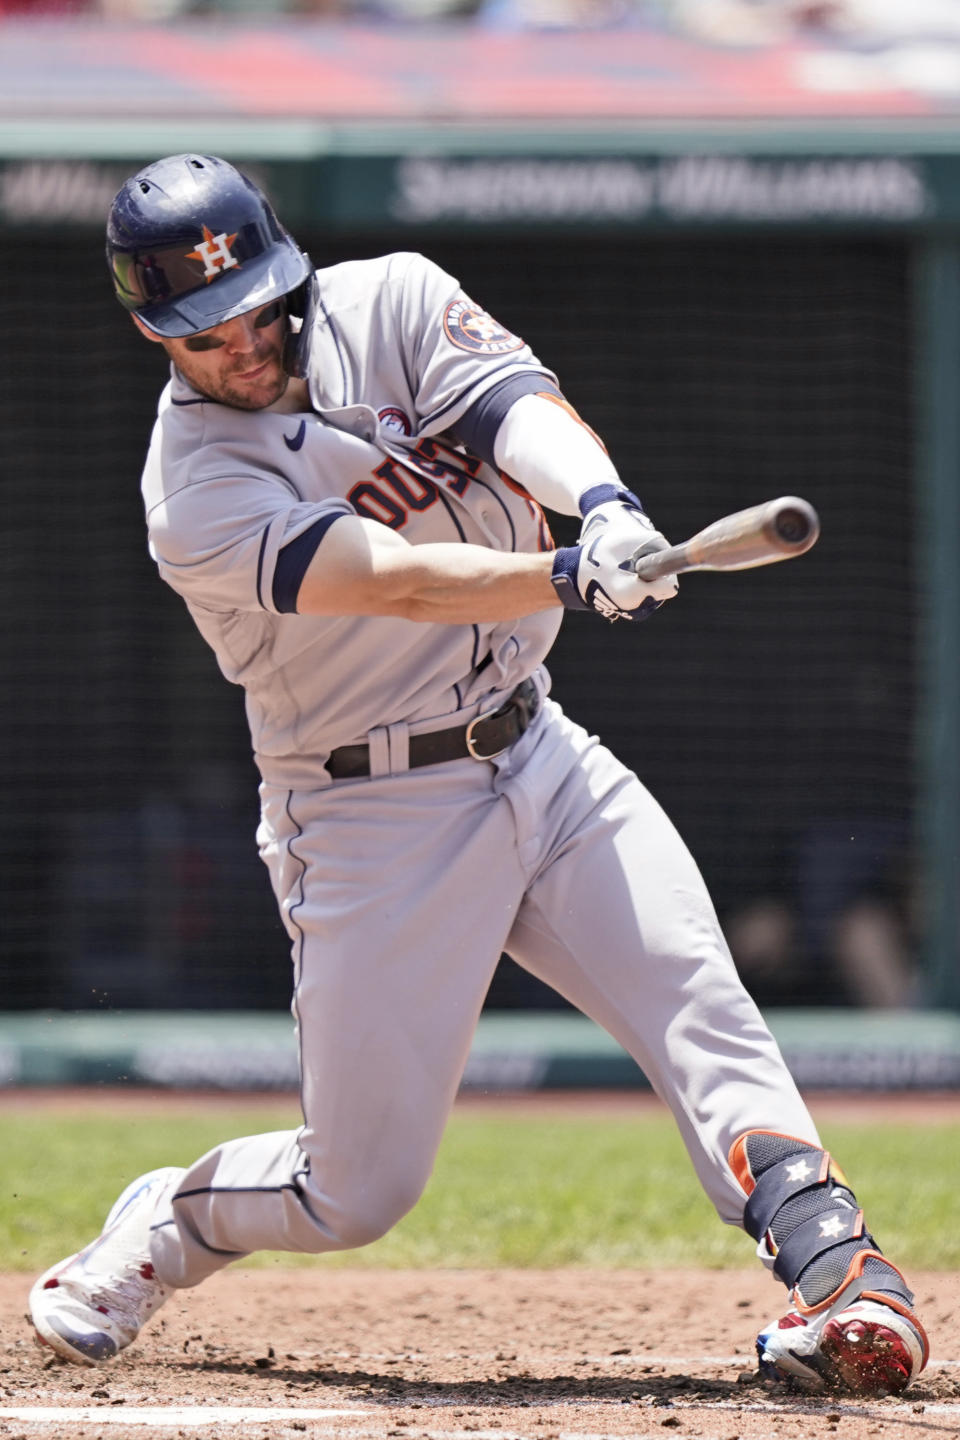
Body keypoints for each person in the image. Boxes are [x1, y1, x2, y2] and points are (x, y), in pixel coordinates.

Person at [30, 153, 928, 1397]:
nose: (241, 341)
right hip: (367, 809)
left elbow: (516, 407)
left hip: (535, 747)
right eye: (202, 330)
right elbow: (389, 576)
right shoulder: (195, 491)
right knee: (357, 1190)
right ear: (149, 327)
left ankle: (842, 1278)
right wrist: (567, 575)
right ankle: (169, 1225)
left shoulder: (392, 296)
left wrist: (602, 507)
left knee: (697, 1003)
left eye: (256, 307)